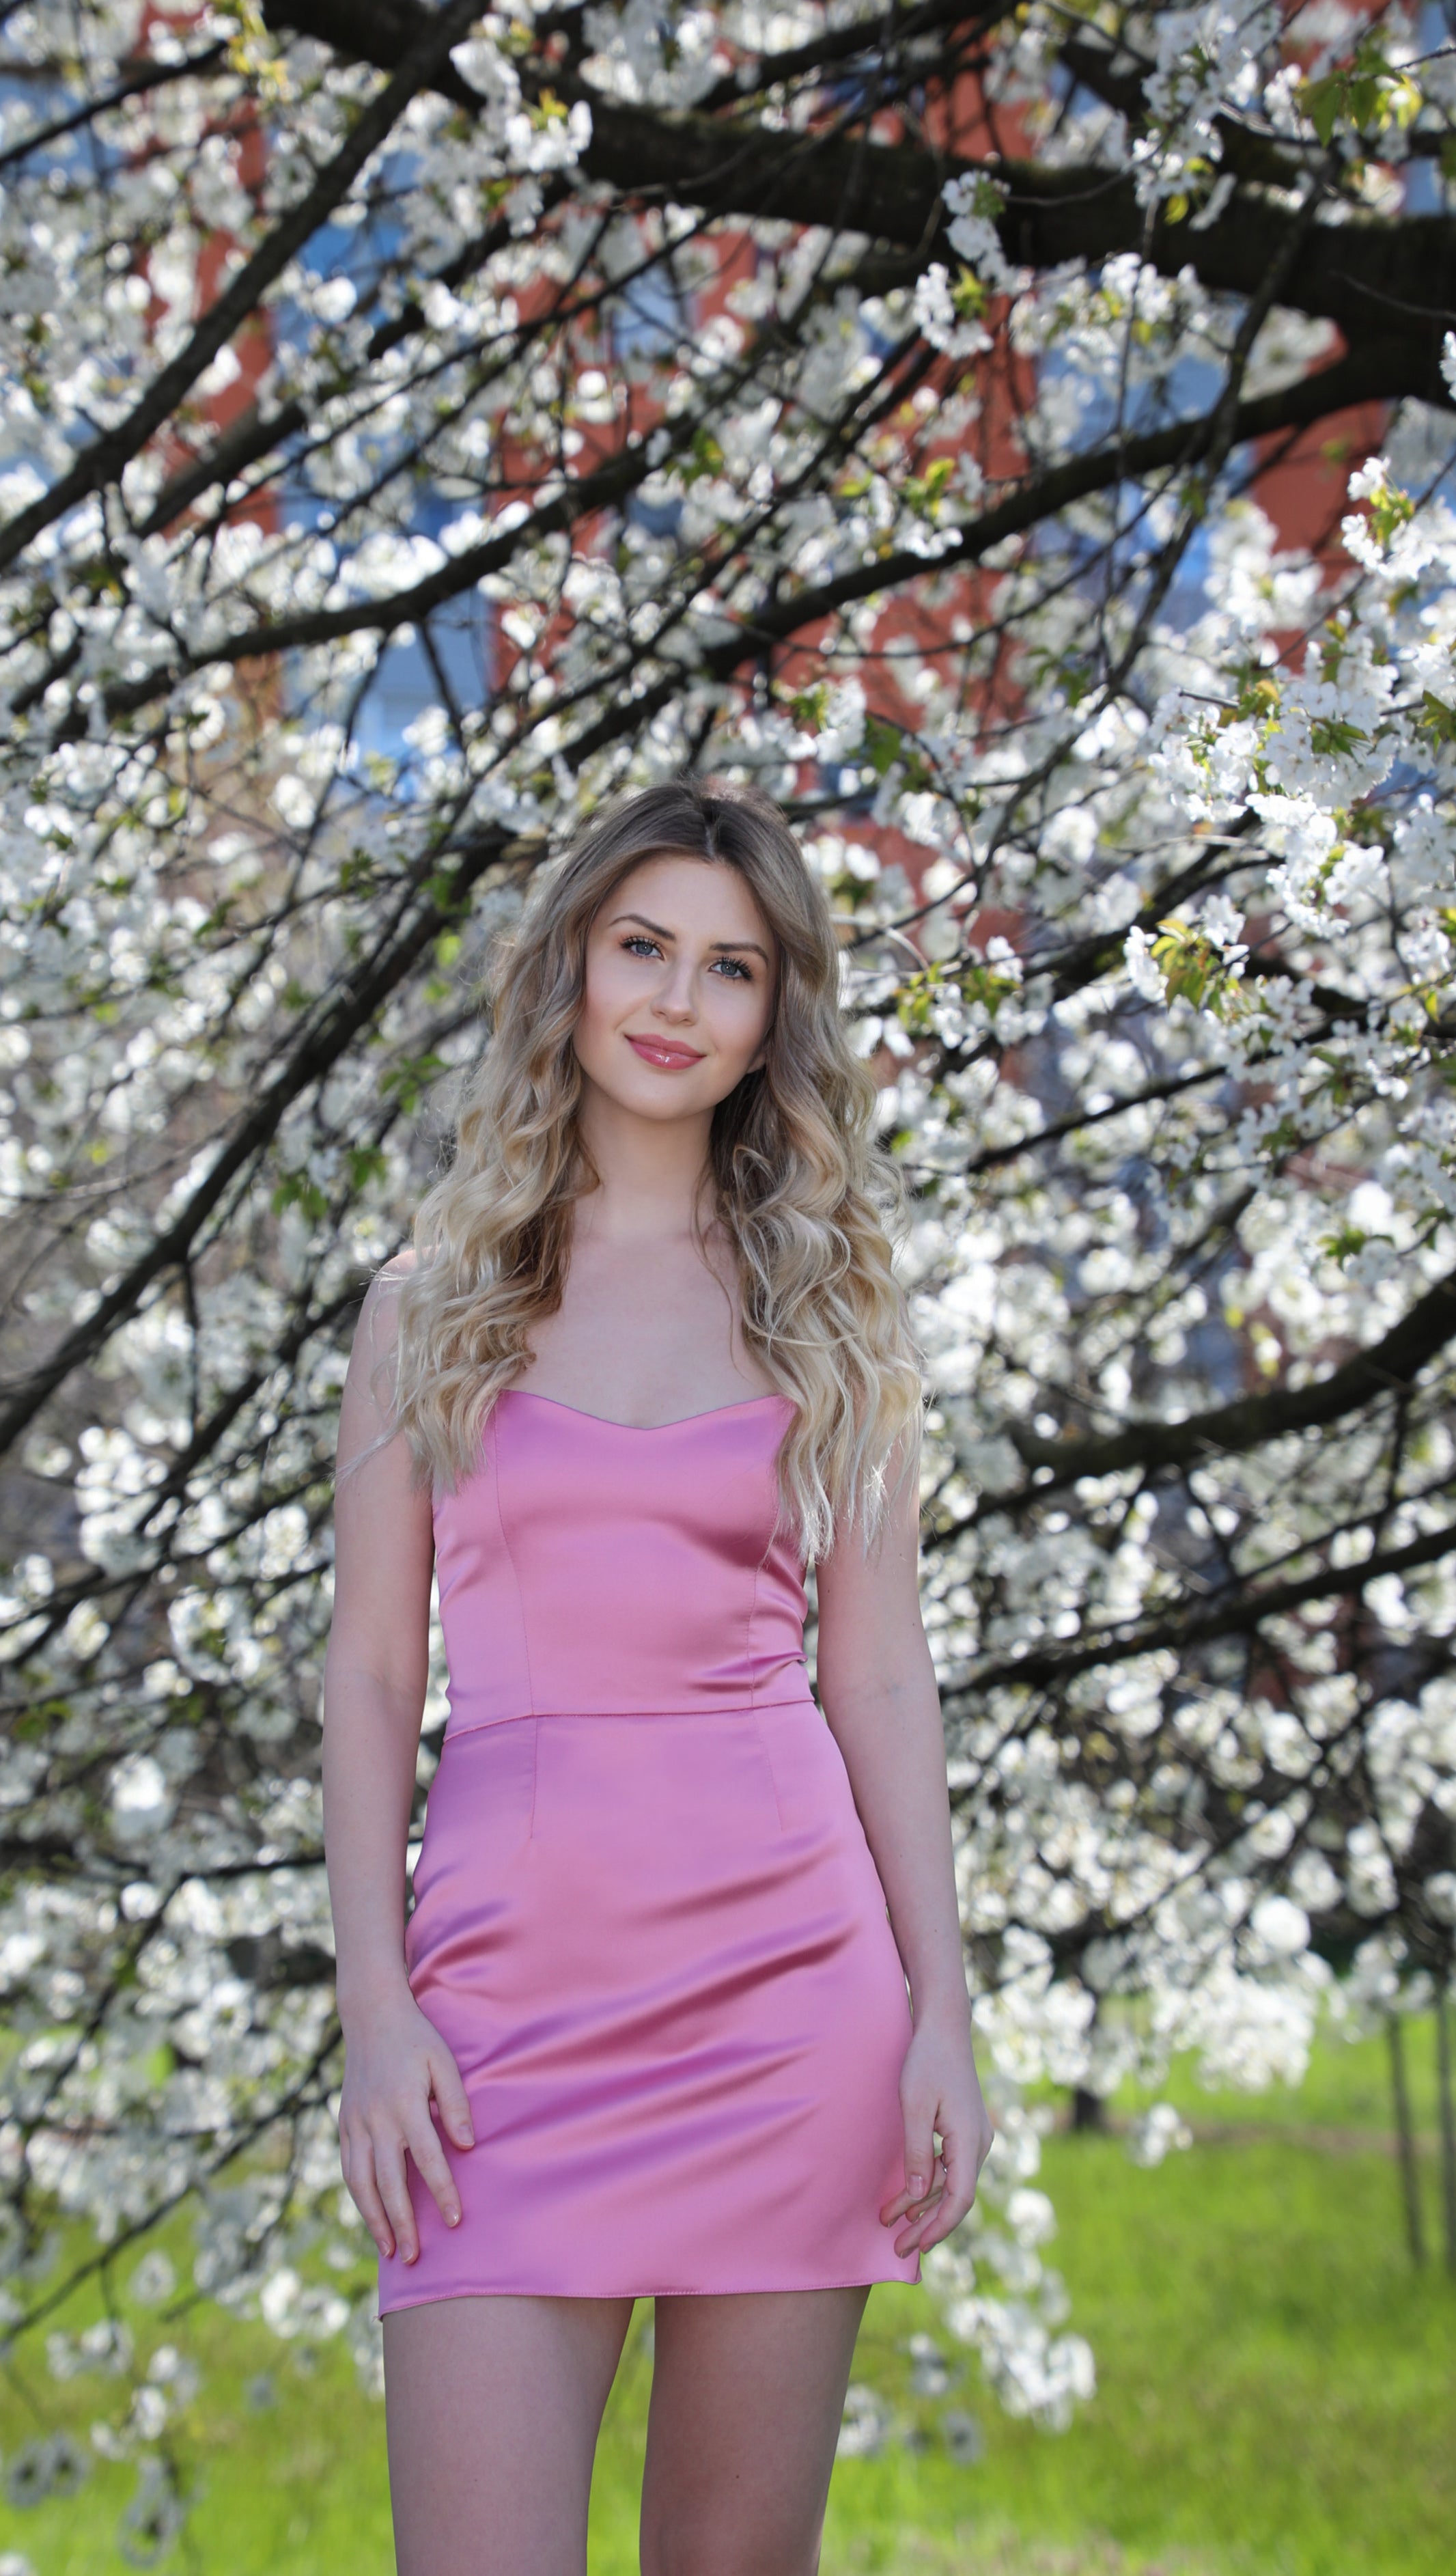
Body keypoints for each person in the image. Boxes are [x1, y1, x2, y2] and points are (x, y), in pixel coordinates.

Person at [321, 777, 992, 2576]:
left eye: (728, 967)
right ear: (574, 964)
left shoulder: (831, 1302)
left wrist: (941, 2006)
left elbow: (878, 1679)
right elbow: (374, 1676)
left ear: (776, 1013)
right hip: (497, 2018)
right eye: (642, 948)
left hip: (786, 2004)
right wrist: (373, 2007)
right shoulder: (430, 1301)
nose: (674, 1001)